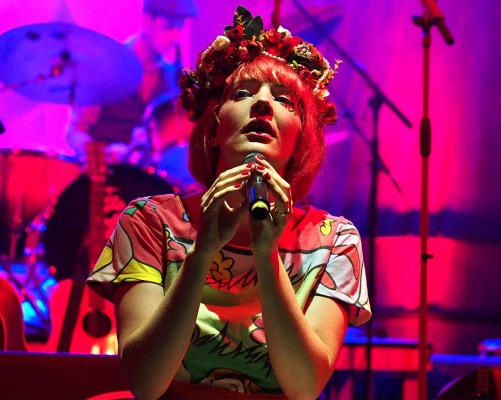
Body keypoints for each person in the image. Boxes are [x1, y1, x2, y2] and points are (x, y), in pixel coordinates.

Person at [87, 6, 371, 399]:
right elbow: (145, 383)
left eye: (285, 100)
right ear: (213, 128)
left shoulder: (334, 240)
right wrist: (202, 252)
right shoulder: (149, 221)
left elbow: (305, 387)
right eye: (242, 94)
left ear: (300, 140)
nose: (262, 105)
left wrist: (267, 256)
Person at [66, 0, 199, 163]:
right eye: (170, 25)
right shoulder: (105, 66)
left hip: (145, 184)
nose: (175, 35)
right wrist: (99, 153)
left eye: (180, 27)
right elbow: (76, 131)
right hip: (99, 177)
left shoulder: (172, 79)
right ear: (147, 20)